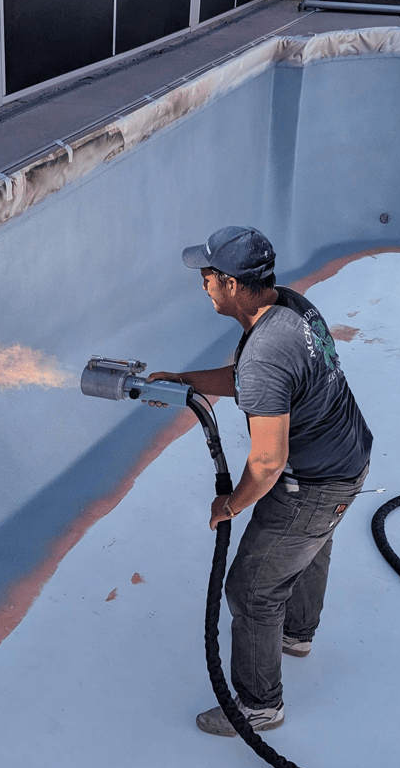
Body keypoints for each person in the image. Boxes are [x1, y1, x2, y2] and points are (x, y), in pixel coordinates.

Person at [147, 225, 373, 736]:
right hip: (346, 458)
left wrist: (230, 505)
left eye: (207, 274)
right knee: (310, 546)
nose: (201, 282)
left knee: (251, 589)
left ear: (231, 283)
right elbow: (249, 378)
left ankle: (258, 707)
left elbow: (268, 462)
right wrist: (183, 381)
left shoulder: (269, 348)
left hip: (314, 483)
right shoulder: (290, 306)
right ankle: (296, 635)